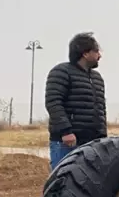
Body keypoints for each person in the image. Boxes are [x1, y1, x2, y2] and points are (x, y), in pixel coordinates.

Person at [45, 33, 107, 169]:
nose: (100, 55)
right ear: (85, 53)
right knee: (63, 183)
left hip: (93, 142)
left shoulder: (96, 78)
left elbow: (101, 109)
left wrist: (102, 135)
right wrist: (66, 132)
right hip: (67, 143)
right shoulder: (61, 72)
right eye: (96, 51)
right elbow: (53, 103)